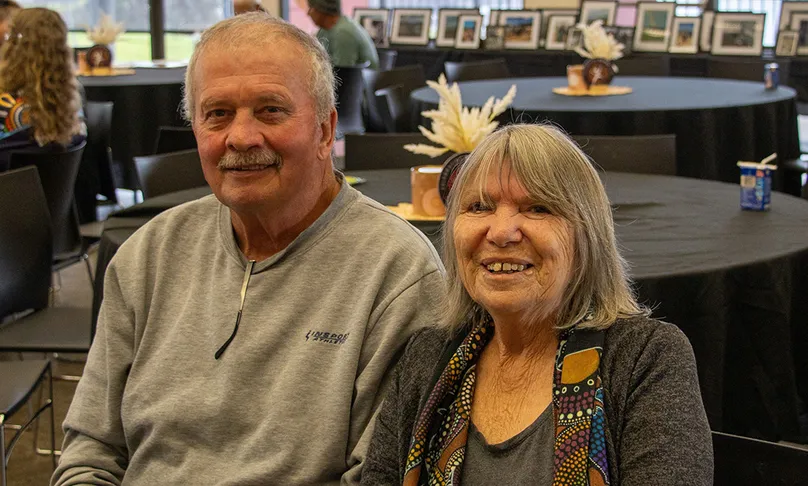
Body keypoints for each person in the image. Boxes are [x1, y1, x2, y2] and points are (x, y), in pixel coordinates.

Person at [52, 13, 444, 485]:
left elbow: (378, 476)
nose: (240, 137)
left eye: (271, 110)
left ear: (324, 130)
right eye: (217, 113)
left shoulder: (398, 274)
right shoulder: (148, 256)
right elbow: (90, 450)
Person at [361, 124, 714, 485]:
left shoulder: (646, 359)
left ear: (586, 236)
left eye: (537, 208)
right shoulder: (427, 356)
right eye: (479, 206)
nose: (500, 232)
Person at [0, 7, 85, 166]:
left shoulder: (6, 107)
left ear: (12, 49)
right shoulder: (73, 106)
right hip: (55, 190)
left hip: (11, 188)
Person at [308, 0, 378, 68]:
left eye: (311, 8)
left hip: (358, 79)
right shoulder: (324, 29)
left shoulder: (344, 33)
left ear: (323, 10)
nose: (308, 13)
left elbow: (342, 73)